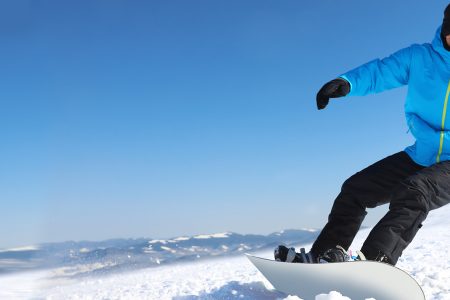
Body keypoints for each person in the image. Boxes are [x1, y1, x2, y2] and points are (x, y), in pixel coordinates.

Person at [275, 4, 450, 265]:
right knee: (355, 189)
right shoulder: (420, 57)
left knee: (415, 191)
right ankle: (323, 256)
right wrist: (348, 83)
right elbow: (382, 71)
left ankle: (374, 262)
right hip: (422, 154)